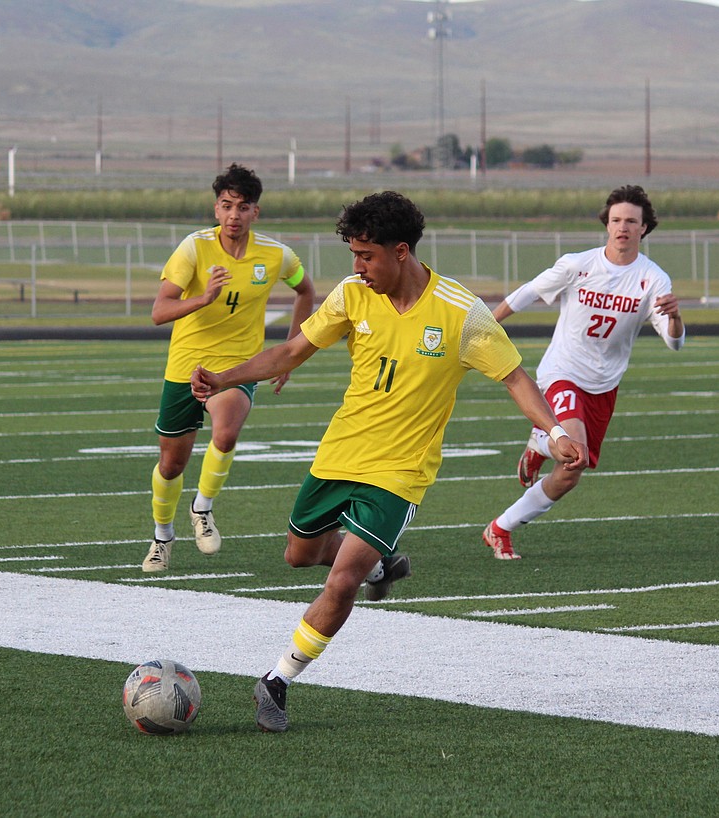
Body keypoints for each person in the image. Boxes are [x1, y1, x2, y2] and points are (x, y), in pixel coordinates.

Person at [190, 191, 587, 732]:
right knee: (298, 556)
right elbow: (289, 354)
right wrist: (223, 377)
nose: (357, 267)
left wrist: (556, 430)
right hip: (341, 452)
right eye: (353, 254)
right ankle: (380, 564)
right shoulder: (352, 296)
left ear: (401, 251)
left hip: (402, 472)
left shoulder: (461, 312)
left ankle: (278, 680)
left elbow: (515, 377)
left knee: (343, 580)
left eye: (366, 255)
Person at [482, 184, 685, 560]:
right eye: (616, 220)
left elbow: (674, 342)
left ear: (644, 228)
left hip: (604, 385)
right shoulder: (579, 264)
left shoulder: (653, 280)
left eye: (631, 221)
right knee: (572, 451)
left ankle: (501, 527)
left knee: (570, 474)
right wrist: (486, 324)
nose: (623, 227)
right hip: (563, 371)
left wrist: (674, 316)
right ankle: (544, 441)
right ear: (606, 224)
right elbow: (528, 291)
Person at [143, 163, 316, 573]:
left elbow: (306, 290)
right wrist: (203, 298)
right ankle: (162, 537)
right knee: (172, 465)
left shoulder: (276, 255)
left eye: (243, 207)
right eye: (226, 206)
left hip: (237, 369)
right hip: (186, 368)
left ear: (256, 212)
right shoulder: (194, 249)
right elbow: (158, 311)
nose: (234, 215)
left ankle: (202, 509)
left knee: (226, 431)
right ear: (215, 210)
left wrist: (293, 350)